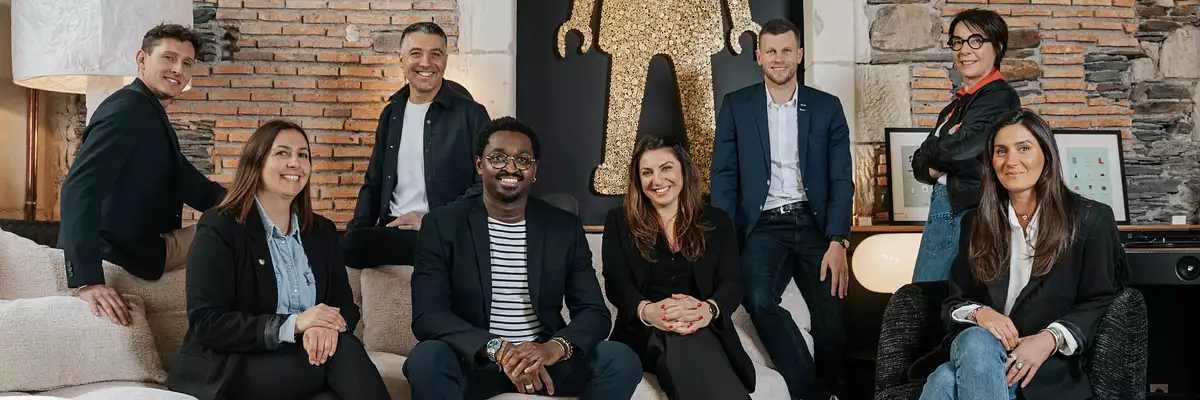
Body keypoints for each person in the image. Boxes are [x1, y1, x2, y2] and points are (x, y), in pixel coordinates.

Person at [403, 117, 642, 399]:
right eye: (498, 158)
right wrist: (498, 349)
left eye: (523, 160)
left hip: (543, 362)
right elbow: (429, 315)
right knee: (427, 359)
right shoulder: (442, 225)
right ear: (479, 165)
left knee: (619, 359)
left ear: (534, 169)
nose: (511, 168)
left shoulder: (563, 227)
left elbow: (594, 312)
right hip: (474, 361)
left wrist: (553, 348)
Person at [167, 121, 388, 400]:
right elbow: (207, 323)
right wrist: (296, 324)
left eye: (303, 155)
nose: (296, 163)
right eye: (283, 153)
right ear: (257, 162)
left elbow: (345, 306)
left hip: (297, 362)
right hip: (232, 365)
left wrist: (324, 326)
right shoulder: (221, 226)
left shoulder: (322, 232)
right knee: (343, 351)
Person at [918, 110, 1127, 400]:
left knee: (944, 380)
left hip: (1043, 365)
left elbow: (1101, 298)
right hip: (976, 348)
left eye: (1024, 148)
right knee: (977, 340)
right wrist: (980, 313)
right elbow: (956, 299)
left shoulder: (1092, 219)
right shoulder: (976, 222)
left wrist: (1049, 338)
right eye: (1001, 151)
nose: (1011, 161)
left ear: (1046, 155)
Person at [710, 18, 852, 400]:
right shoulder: (737, 106)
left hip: (815, 223)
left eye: (787, 50)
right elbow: (723, 176)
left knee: (831, 317)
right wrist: (724, 241)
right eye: (770, 51)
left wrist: (838, 240)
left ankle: (837, 391)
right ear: (758, 56)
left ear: (799, 54)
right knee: (757, 298)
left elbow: (841, 178)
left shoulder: (826, 107)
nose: (779, 58)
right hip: (763, 225)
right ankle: (812, 393)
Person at [59, 23, 227, 326]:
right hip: (129, 251)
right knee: (233, 231)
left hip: (145, 243)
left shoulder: (148, 111)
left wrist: (251, 203)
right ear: (142, 59)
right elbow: (79, 188)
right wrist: (88, 280)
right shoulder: (127, 109)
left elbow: (194, 186)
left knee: (245, 221)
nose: (178, 69)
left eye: (187, 63)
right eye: (169, 58)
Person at [603, 135, 755, 400]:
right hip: (643, 330)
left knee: (687, 335)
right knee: (675, 335)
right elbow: (616, 282)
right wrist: (648, 311)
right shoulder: (619, 221)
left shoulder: (717, 221)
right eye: (647, 172)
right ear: (638, 179)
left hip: (702, 325)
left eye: (666, 168)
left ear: (684, 170)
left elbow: (732, 282)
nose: (657, 180)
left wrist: (707, 310)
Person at [342, 21, 491, 269]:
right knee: (342, 243)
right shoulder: (391, 114)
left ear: (445, 60)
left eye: (435, 54)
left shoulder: (472, 115)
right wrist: (354, 232)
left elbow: (486, 185)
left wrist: (433, 220)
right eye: (416, 53)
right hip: (393, 227)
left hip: (444, 229)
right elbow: (373, 184)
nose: (426, 62)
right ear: (401, 58)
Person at [909, 8, 1021, 282]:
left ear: (998, 46)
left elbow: (962, 151)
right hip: (944, 210)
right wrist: (939, 150)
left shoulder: (998, 97)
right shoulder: (954, 108)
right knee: (925, 295)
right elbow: (919, 165)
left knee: (935, 296)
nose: (964, 50)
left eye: (976, 40)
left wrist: (936, 149)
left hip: (968, 212)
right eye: (957, 42)